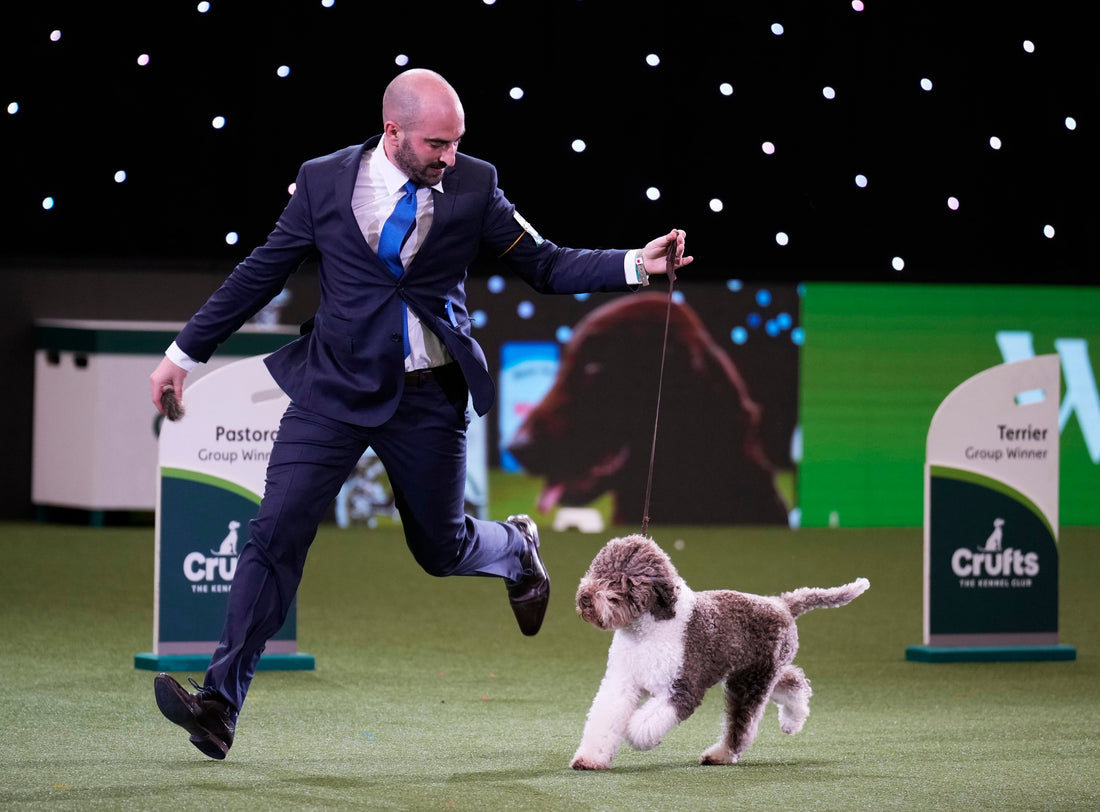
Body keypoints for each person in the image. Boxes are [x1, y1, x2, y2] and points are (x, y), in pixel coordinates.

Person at [149, 67, 692, 760]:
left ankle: (516, 548)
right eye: (438, 144)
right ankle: (220, 704)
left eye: (457, 142)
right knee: (275, 533)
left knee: (442, 550)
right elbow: (263, 270)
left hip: (428, 396)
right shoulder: (321, 182)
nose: (450, 157)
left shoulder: (474, 185)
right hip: (333, 390)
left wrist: (637, 264)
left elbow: (546, 264)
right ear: (393, 132)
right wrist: (184, 354)